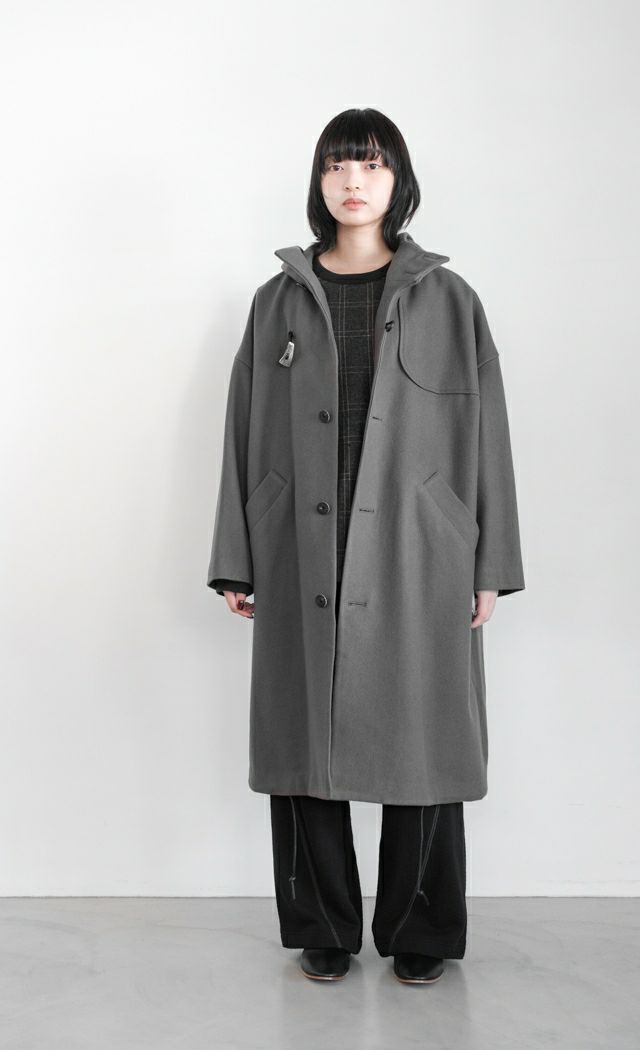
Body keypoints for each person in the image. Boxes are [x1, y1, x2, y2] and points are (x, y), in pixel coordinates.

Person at [207, 108, 525, 984]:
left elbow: (489, 438)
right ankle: (323, 924)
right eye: (339, 165)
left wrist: (491, 565)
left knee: (424, 735)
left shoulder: (451, 301)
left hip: (420, 552)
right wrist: (236, 553)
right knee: (302, 737)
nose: (355, 181)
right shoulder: (275, 301)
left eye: (373, 165)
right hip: (300, 543)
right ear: (319, 182)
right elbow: (242, 431)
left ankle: (421, 928)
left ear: (398, 181)